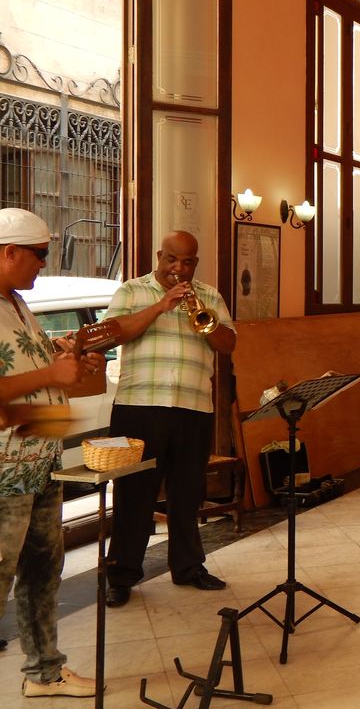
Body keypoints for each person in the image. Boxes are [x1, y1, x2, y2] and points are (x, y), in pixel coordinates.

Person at [0, 208, 104, 697]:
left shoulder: (17, 303)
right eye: (39, 254)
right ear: (9, 252)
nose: (45, 263)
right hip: (4, 471)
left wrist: (67, 360)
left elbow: (30, 375)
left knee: (43, 570)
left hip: (39, 459)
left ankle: (44, 672)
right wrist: (49, 373)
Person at [104, 231, 236, 608]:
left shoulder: (209, 295)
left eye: (188, 262)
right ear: (160, 256)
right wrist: (162, 306)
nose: (179, 268)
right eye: (172, 260)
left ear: (196, 263)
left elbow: (228, 344)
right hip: (139, 406)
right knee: (133, 494)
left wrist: (205, 321)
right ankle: (121, 575)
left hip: (193, 407)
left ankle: (189, 567)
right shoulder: (131, 291)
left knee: (188, 492)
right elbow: (113, 334)